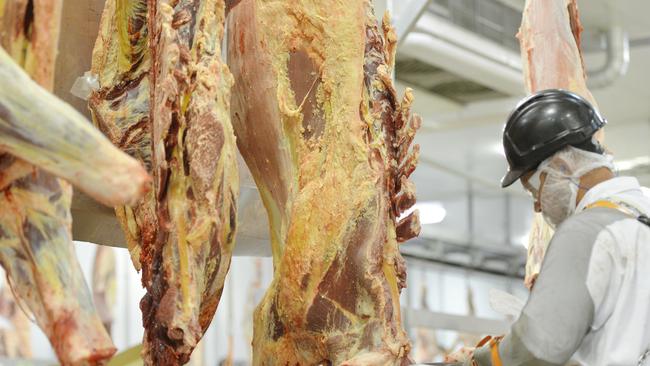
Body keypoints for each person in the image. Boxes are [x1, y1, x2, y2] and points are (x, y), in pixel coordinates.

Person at [447, 89, 650, 365]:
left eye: (535, 190)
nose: (538, 207)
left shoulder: (587, 232)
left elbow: (538, 348)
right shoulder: (641, 209)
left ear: (563, 168)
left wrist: (477, 360)